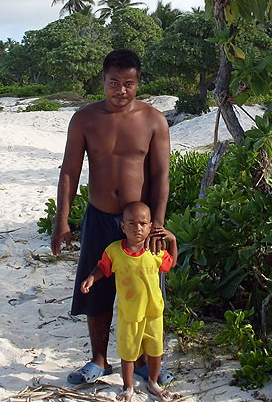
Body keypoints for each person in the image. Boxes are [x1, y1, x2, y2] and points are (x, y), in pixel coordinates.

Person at [51, 49, 172, 386]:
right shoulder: (84, 119)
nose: (121, 90)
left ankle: (148, 365)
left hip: (142, 224)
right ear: (102, 81)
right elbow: (70, 171)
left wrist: (157, 225)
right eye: (114, 83)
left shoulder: (153, 120)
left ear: (138, 84)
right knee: (97, 289)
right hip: (100, 217)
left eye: (129, 84)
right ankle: (99, 361)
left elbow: (161, 175)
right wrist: (62, 220)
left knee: (149, 293)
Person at [81, 202, 178, 401]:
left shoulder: (155, 250)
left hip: (153, 312)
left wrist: (173, 240)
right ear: (123, 226)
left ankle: (153, 382)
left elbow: (171, 263)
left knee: (155, 349)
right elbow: (103, 267)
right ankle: (128, 387)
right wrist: (91, 278)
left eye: (143, 223)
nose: (138, 228)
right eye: (132, 223)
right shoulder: (115, 251)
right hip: (129, 314)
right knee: (128, 352)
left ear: (151, 226)